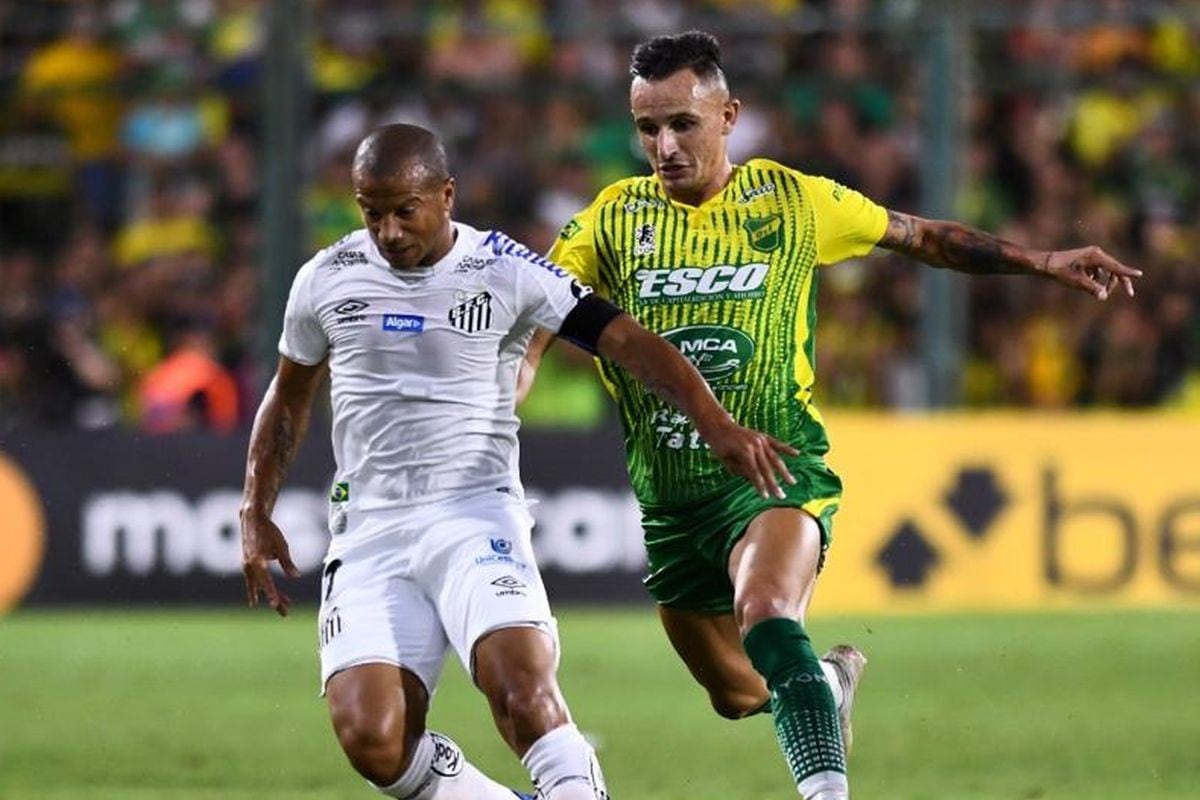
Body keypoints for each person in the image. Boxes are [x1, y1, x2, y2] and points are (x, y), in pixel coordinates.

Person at [519, 31, 1143, 800]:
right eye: (648, 128)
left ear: (729, 116)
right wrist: (517, 370)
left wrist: (1038, 261)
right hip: (674, 501)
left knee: (766, 611)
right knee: (740, 691)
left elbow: (923, 238)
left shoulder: (793, 199)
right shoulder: (614, 218)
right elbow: (540, 302)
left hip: (778, 469)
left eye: (682, 122)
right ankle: (826, 680)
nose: (665, 145)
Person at [239, 123, 797, 800]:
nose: (386, 231)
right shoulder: (325, 277)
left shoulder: (508, 269)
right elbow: (289, 396)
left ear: (446, 195)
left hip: (475, 516)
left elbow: (629, 342)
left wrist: (716, 424)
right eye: (371, 211)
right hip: (370, 531)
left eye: (403, 211)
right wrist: (254, 508)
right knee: (374, 742)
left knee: (523, 695)